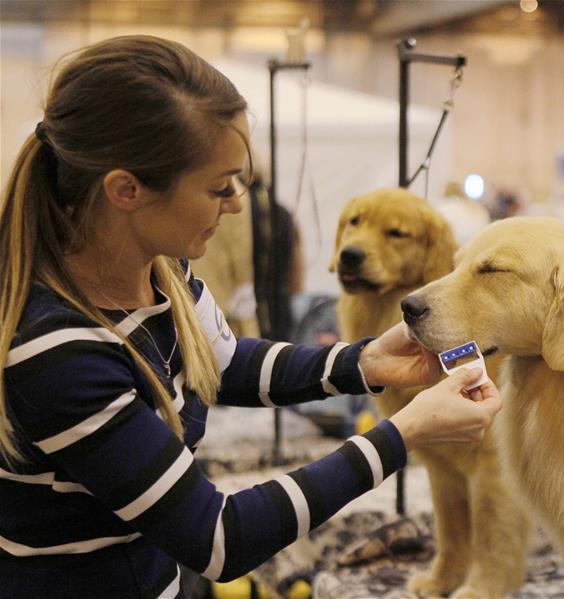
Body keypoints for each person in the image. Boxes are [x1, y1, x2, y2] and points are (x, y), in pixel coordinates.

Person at [0, 35, 501, 597]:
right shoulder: (57, 352)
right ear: (127, 190)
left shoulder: (164, 276)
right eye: (220, 187)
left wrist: (364, 362)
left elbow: (224, 362)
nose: (238, 203)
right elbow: (218, 539)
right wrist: (403, 434)